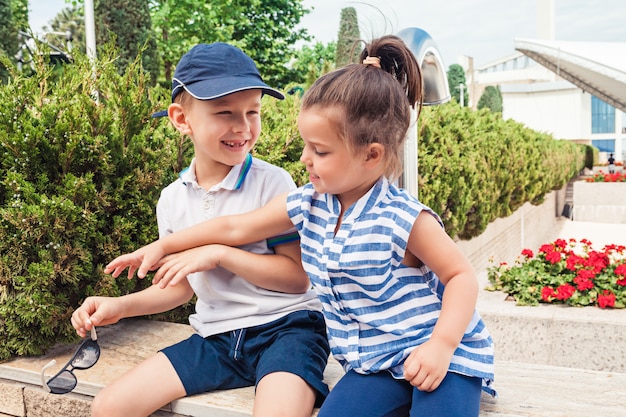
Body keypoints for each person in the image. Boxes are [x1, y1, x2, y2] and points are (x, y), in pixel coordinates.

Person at [104, 35, 496, 417]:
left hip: (441, 355)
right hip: (373, 360)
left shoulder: (406, 218)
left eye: (320, 150)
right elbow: (234, 229)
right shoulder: (310, 202)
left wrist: (442, 345)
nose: (305, 159)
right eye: (306, 145)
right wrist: (159, 249)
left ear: (371, 155)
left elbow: (461, 276)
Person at [71, 42, 330, 417]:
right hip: (217, 338)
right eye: (224, 112)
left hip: (288, 330)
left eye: (252, 112)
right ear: (181, 118)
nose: (242, 127)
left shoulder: (273, 184)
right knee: (110, 407)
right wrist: (120, 307)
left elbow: (296, 280)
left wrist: (221, 255)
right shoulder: (172, 199)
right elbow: (179, 288)